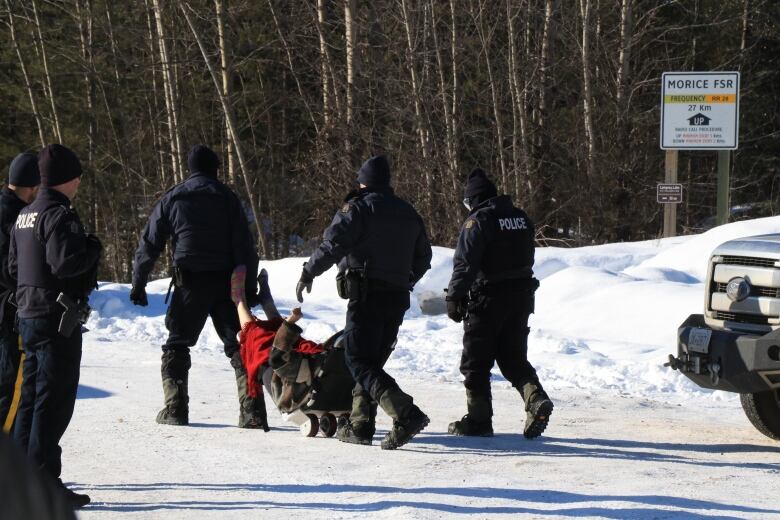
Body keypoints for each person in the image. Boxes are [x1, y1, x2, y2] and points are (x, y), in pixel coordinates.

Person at [296, 155, 433, 450]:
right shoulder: (408, 212)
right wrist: (405, 279)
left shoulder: (358, 208)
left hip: (367, 294)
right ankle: (360, 425)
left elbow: (333, 245)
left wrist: (309, 272)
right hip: (396, 297)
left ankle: (405, 413)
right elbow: (424, 257)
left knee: (357, 359)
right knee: (371, 362)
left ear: (363, 181)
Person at [130, 144, 267, 429]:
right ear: (215, 169)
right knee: (240, 345)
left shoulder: (174, 197)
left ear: (190, 169)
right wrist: (248, 289)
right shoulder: (227, 198)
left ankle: (175, 409)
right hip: (227, 284)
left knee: (177, 344)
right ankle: (252, 411)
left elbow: (149, 243)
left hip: (189, 283)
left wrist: (139, 283)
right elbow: (246, 247)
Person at [9, 144, 101, 509]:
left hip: (29, 315)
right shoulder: (58, 215)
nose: (78, 184)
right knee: (53, 401)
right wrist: (92, 248)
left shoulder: (26, 214)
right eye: (77, 178)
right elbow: (66, 263)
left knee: (31, 398)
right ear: (67, 180)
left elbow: (15, 269)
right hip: (55, 318)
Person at [445, 168, 553, 439]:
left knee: (476, 363)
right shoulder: (521, 217)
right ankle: (535, 398)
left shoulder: (478, 221)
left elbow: (465, 264)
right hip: (522, 297)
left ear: (474, 199)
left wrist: (454, 297)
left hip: (488, 299)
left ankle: (479, 421)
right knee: (513, 358)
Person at [0, 153, 40, 433]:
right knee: (12, 393)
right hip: (9, 313)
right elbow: (12, 270)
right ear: (33, 186)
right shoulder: (16, 217)